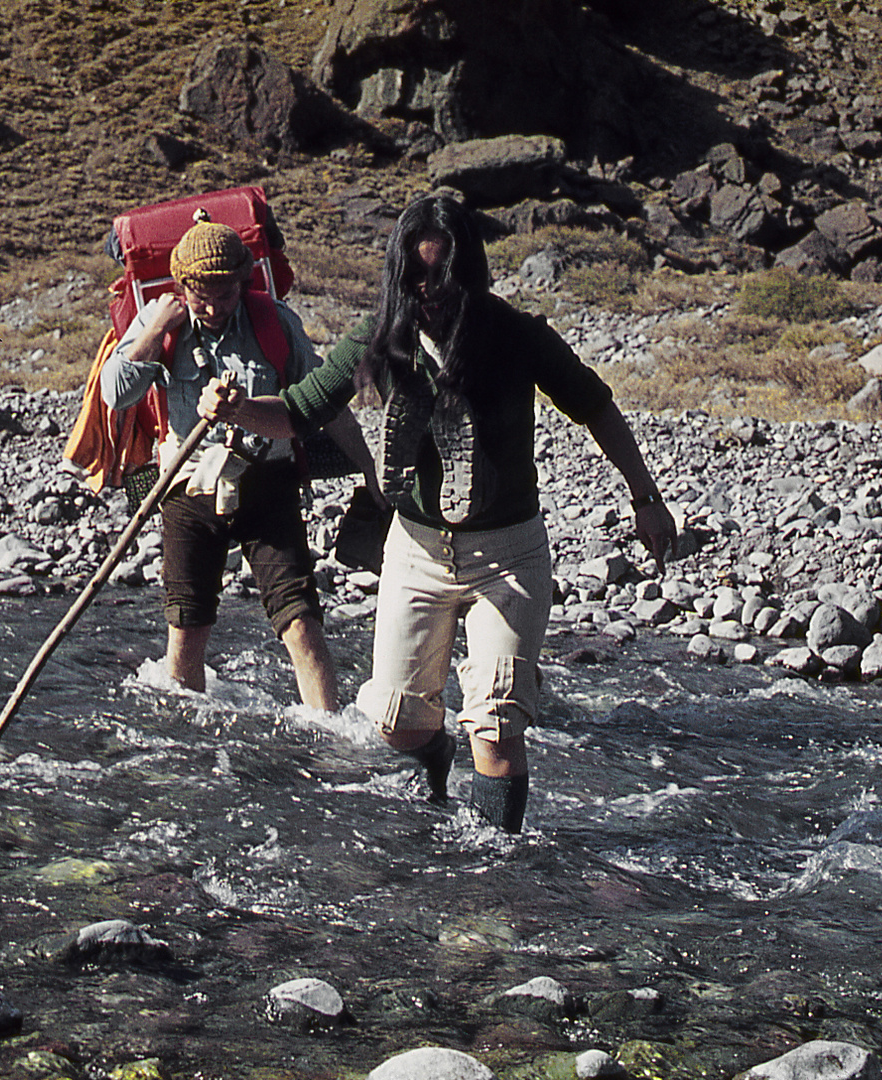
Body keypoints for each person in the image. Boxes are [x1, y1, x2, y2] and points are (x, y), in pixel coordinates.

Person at [200, 194, 676, 832]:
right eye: (416, 277)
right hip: (417, 551)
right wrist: (234, 410)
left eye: (443, 275)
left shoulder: (516, 335)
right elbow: (296, 409)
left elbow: (596, 406)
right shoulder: (379, 338)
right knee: (396, 722)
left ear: (469, 273)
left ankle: (494, 872)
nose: (430, 290)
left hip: (508, 555)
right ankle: (437, 753)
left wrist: (646, 499)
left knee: (498, 723)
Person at [101, 216, 378, 710]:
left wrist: (370, 469)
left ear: (243, 281)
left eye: (224, 294)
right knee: (188, 628)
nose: (211, 307)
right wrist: (158, 329)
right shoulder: (161, 321)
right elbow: (116, 392)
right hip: (189, 491)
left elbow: (323, 400)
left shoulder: (273, 321)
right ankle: (187, 745)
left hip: (267, 486)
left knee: (301, 622)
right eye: (199, 295)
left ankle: (331, 734)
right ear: (181, 284)